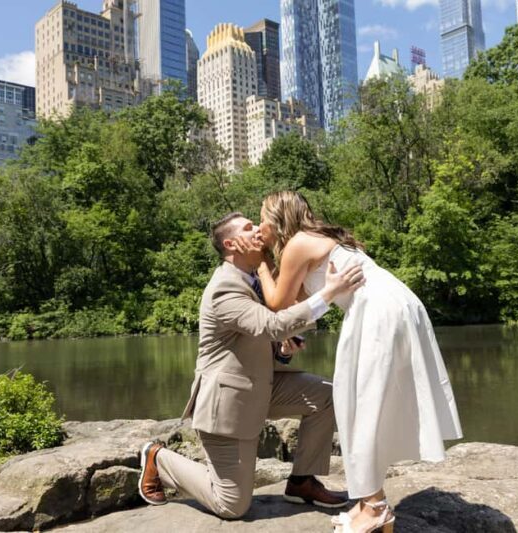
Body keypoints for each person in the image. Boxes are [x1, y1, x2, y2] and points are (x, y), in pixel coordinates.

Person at [249, 191, 463, 533]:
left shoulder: (298, 244)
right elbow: (301, 302)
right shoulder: (319, 238)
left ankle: (375, 507)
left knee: (360, 405)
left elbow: (276, 303)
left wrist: (260, 259)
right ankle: (369, 502)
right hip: (393, 303)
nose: (259, 224)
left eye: (261, 216)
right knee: (364, 403)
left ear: (276, 218)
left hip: (375, 312)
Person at [138, 212, 366, 520]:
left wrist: (283, 352)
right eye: (249, 228)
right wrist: (329, 292)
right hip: (228, 404)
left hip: (261, 385)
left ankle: (302, 481)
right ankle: (158, 458)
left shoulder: (257, 279)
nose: (259, 230)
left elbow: (263, 339)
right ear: (232, 244)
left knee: (327, 396)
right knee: (232, 506)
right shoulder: (224, 288)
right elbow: (272, 325)